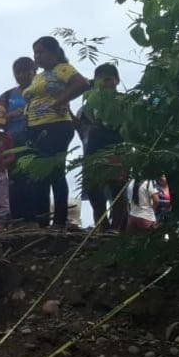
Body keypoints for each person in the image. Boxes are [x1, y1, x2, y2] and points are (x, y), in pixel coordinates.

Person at [23, 36, 90, 229]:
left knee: (55, 171)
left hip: (55, 126)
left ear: (53, 53)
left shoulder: (63, 69)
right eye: (35, 52)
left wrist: (58, 102)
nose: (37, 56)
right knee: (38, 174)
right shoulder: (40, 76)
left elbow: (82, 83)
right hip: (35, 127)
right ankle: (42, 220)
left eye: (41, 52)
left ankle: (59, 220)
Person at [77, 63, 127, 231]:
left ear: (117, 81)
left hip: (117, 152)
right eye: (100, 80)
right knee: (95, 193)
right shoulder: (88, 105)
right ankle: (102, 228)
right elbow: (80, 129)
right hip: (93, 153)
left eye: (108, 79)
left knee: (118, 191)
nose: (105, 84)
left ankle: (118, 228)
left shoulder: (124, 103)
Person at [0, 57, 39, 224]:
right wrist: (11, 115)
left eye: (25, 71)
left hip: (35, 140)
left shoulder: (40, 92)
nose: (21, 75)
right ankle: (17, 218)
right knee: (14, 181)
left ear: (34, 71)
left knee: (34, 180)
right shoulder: (7, 96)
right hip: (12, 143)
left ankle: (36, 218)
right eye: (18, 72)